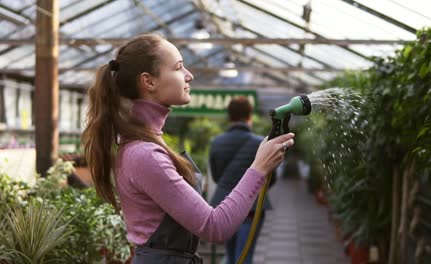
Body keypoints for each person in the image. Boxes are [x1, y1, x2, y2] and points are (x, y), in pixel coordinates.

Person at [81, 34, 294, 264]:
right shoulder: (144, 154)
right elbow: (215, 227)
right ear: (149, 81)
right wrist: (259, 167)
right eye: (179, 67)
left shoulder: (147, 143)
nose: (189, 75)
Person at [209, 97, 276, 264]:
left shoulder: (217, 142)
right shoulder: (261, 143)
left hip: (225, 205)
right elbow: (270, 179)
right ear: (249, 116)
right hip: (252, 208)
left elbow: (217, 176)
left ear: (229, 116)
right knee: (245, 256)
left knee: (231, 256)